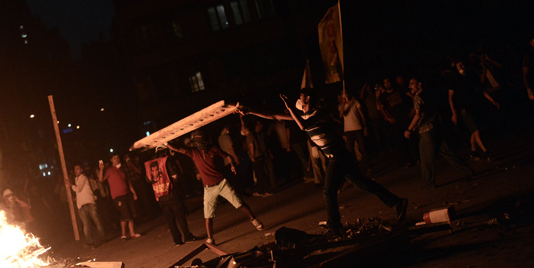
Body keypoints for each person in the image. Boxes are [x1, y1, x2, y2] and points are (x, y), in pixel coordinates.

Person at [243, 88, 408, 235]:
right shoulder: (302, 114)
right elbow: (272, 115)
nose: (298, 99)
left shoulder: (317, 113)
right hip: (336, 156)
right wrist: (250, 111)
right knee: (363, 184)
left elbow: (303, 126)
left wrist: (289, 107)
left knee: (328, 191)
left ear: (307, 99)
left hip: (338, 155)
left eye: (301, 96)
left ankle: (335, 225)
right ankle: (398, 202)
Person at [167, 129, 264, 245]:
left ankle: (254, 219)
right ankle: (210, 239)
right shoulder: (194, 152)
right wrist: (166, 143)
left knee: (239, 203)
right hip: (209, 188)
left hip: (222, 183)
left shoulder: (213, 149)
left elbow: (227, 156)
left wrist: (232, 164)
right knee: (208, 216)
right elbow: (178, 149)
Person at [405, 78, 473, 189]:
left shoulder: (418, 97)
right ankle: (467, 171)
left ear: (419, 84)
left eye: (412, 83)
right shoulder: (429, 93)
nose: (409, 86)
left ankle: (429, 183)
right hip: (435, 127)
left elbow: (418, 116)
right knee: (447, 151)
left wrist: (409, 129)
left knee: (426, 158)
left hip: (426, 131)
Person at [448, 59, 500, 161]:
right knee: (476, 131)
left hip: (474, 106)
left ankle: (473, 152)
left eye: (461, 65)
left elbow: (481, 90)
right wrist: (454, 112)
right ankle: (487, 152)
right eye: (458, 66)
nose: (461, 67)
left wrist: (492, 100)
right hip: (464, 109)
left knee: (474, 131)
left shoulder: (471, 76)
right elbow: (450, 97)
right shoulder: (455, 79)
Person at [145, 153, 199, 245]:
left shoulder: (149, 164)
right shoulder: (166, 160)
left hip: (160, 196)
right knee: (180, 215)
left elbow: (148, 179)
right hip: (171, 193)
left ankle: (177, 240)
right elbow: (175, 176)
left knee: (170, 219)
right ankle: (187, 236)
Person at [98, 155, 141, 240]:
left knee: (131, 213)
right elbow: (101, 180)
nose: (117, 160)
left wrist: (134, 192)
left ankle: (132, 233)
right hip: (118, 196)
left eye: (117, 158)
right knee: (124, 215)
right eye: (114, 158)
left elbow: (127, 182)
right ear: (111, 160)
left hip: (127, 194)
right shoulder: (109, 170)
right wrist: (101, 169)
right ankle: (123, 234)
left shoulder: (122, 169)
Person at [66, 164, 105, 248]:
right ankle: (90, 243)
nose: (76, 171)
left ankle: (103, 238)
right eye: (75, 169)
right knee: (86, 225)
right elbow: (81, 192)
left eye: (78, 169)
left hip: (90, 204)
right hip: (82, 206)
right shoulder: (76, 179)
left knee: (96, 222)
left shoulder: (83, 178)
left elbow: (78, 189)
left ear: (81, 170)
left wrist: (71, 185)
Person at [339, 87, 371, 174]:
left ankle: (368, 167)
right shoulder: (341, 105)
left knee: (363, 149)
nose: (345, 94)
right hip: (348, 131)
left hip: (358, 129)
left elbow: (362, 115)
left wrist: (365, 127)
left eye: (345, 92)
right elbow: (342, 115)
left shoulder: (355, 101)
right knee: (350, 151)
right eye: (343, 93)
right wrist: (343, 103)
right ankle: (354, 170)